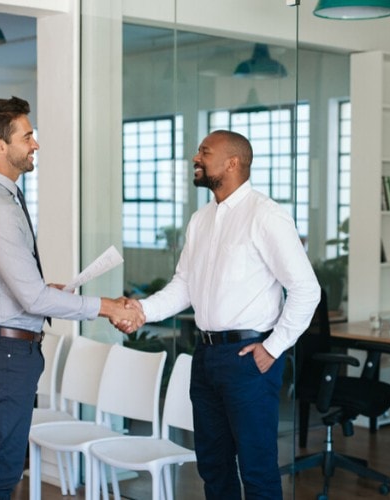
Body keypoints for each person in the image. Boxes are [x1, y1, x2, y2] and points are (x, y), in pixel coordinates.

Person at [0, 96, 143, 500]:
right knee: (0, 472)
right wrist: (107, 307)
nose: (35, 144)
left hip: (3, 348)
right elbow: (32, 299)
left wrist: (45, 291)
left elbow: (18, 289)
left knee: (1, 464)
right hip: (4, 353)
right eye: (27, 136)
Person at [128, 130, 320, 499]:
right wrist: (141, 311)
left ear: (232, 163)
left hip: (249, 359)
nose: (195, 158)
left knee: (257, 468)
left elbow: (306, 290)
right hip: (206, 358)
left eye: (204, 151)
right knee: (213, 467)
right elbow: (183, 286)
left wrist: (273, 348)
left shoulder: (265, 215)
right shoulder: (201, 220)